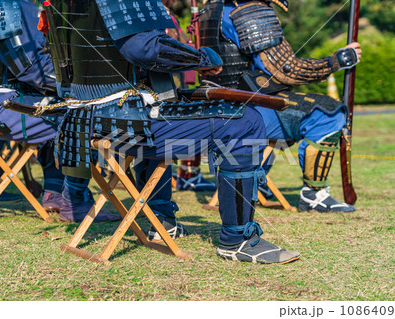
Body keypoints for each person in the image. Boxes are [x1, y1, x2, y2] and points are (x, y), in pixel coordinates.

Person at [34, 0, 301, 264]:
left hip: (86, 117)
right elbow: (143, 48)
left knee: (162, 116)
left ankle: (160, 221)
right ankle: (238, 240)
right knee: (245, 121)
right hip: (121, 119)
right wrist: (201, 58)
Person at [199, 0, 362, 213]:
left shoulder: (211, 8)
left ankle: (258, 181)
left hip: (222, 105)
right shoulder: (248, 10)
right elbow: (286, 69)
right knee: (329, 113)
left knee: (295, 106)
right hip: (245, 110)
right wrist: (336, 61)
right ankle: (314, 195)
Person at [0, 0, 122, 222]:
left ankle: (54, 190)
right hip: (6, 106)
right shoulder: (9, 5)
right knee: (83, 117)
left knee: (59, 109)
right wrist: (81, 79)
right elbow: (29, 67)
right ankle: (76, 202)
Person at [161, 0, 217, 192]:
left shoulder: (169, 15)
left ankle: (187, 173)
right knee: (192, 119)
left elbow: (182, 41)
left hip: (176, 77)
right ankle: (188, 174)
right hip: (168, 81)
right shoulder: (161, 14)